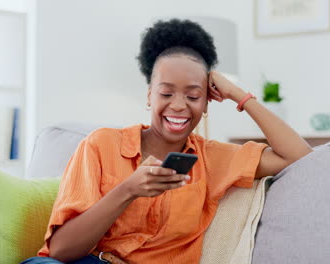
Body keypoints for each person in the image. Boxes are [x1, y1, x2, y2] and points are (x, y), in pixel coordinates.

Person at [21, 18, 312, 264]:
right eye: (166, 93)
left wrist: (239, 95)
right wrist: (128, 190)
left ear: (208, 102)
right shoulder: (101, 145)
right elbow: (60, 251)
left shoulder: (211, 159)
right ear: (149, 95)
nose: (179, 105)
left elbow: (300, 156)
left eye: (193, 95)